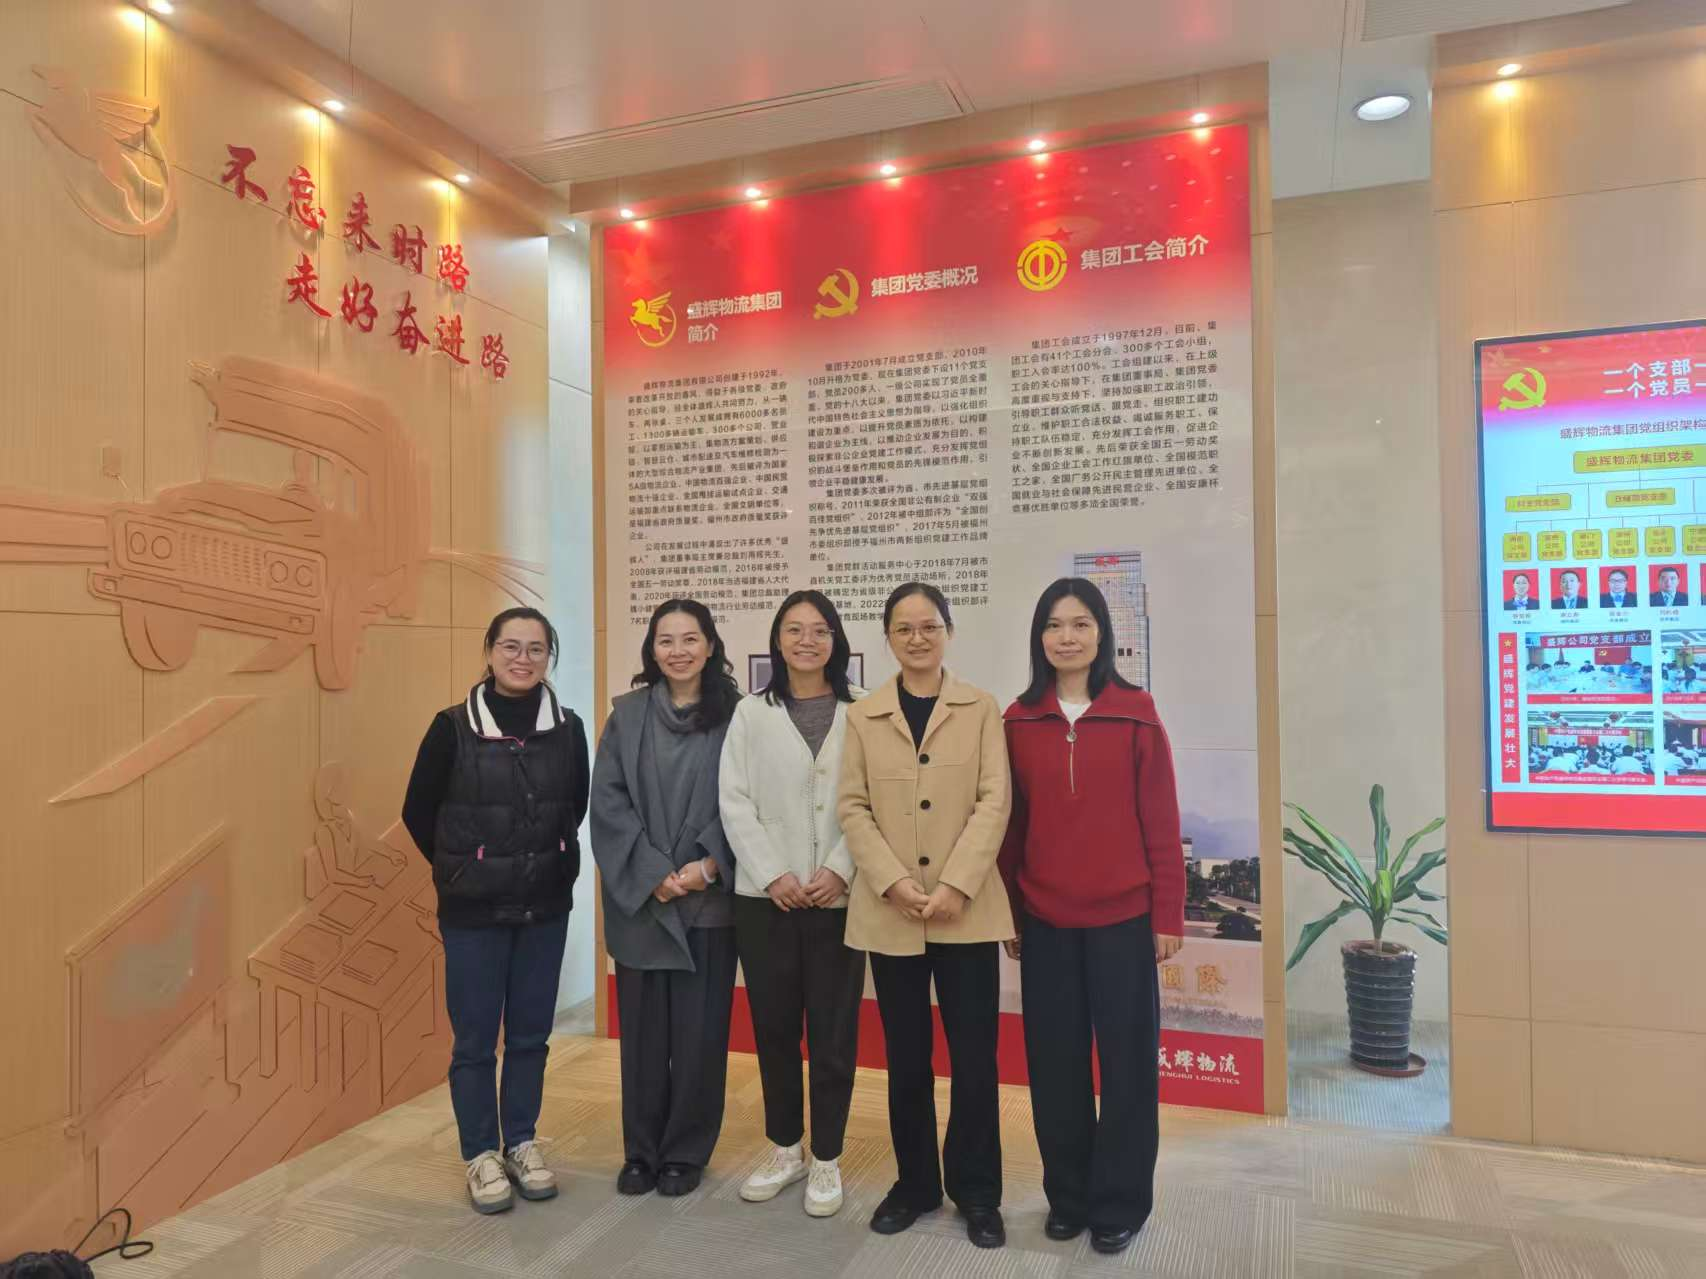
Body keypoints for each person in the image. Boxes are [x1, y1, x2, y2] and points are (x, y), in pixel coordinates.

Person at [998, 578, 1185, 1256]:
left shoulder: (1136, 713)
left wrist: (1168, 913)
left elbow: (1160, 818)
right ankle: (1069, 1198)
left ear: (1103, 633)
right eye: (1054, 625)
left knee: (1129, 1068)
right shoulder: (1018, 720)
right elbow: (1011, 828)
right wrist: (1011, 912)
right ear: (1039, 637)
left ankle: (1120, 1203)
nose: (1066, 637)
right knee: (1055, 1066)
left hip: (1124, 920)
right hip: (1046, 919)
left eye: (1080, 624)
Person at [838, 582, 1013, 1249]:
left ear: (949, 631)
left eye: (929, 626)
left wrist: (957, 884)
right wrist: (890, 882)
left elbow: (994, 800)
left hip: (965, 911)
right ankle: (915, 1183)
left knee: (975, 1058)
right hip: (892, 913)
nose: (917, 637)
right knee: (906, 1058)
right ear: (887, 636)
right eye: (904, 628)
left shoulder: (980, 707)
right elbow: (852, 806)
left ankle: (978, 1190)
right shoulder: (864, 715)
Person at [402, 608, 589, 1215]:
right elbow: (417, 811)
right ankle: (481, 1153)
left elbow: (575, 805)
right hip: (473, 912)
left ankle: (523, 1142)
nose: (522, 659)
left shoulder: (568, 728)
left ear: (548, 657)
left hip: (544, 905)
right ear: (488, 651)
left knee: (532, 1034)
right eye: (511, 646)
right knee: (476, 1039)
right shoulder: (451, 727)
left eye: (536, 648)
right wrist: (463, 868)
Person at [720, 590, 866, 1219]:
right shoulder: (751, 713)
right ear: (777, 640)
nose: (807, 640)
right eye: (794, 630)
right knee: (775, 1030)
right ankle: (786, 1149)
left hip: (839, 901)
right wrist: (772, 872)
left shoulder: (864, 711)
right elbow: (733, 800)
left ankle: (827, 1155)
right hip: (766, 902)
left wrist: (840, 868)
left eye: (820, 630)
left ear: (836, 640)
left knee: (833, 1033)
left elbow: (874, 802)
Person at [591, 599, 741, 1199]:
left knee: (700, 1036)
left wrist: (708, 865)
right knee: (644, 1038)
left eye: (690, 639)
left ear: (710, 645)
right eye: (665, 640)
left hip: (710, 898)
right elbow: (607, 801)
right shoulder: (626, 717)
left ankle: (685, 1152)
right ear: (652, 649)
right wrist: (654, 873)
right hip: (644, 898)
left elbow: (750, 800)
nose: (678, 651)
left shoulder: (739, 715)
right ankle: (641, 1151)